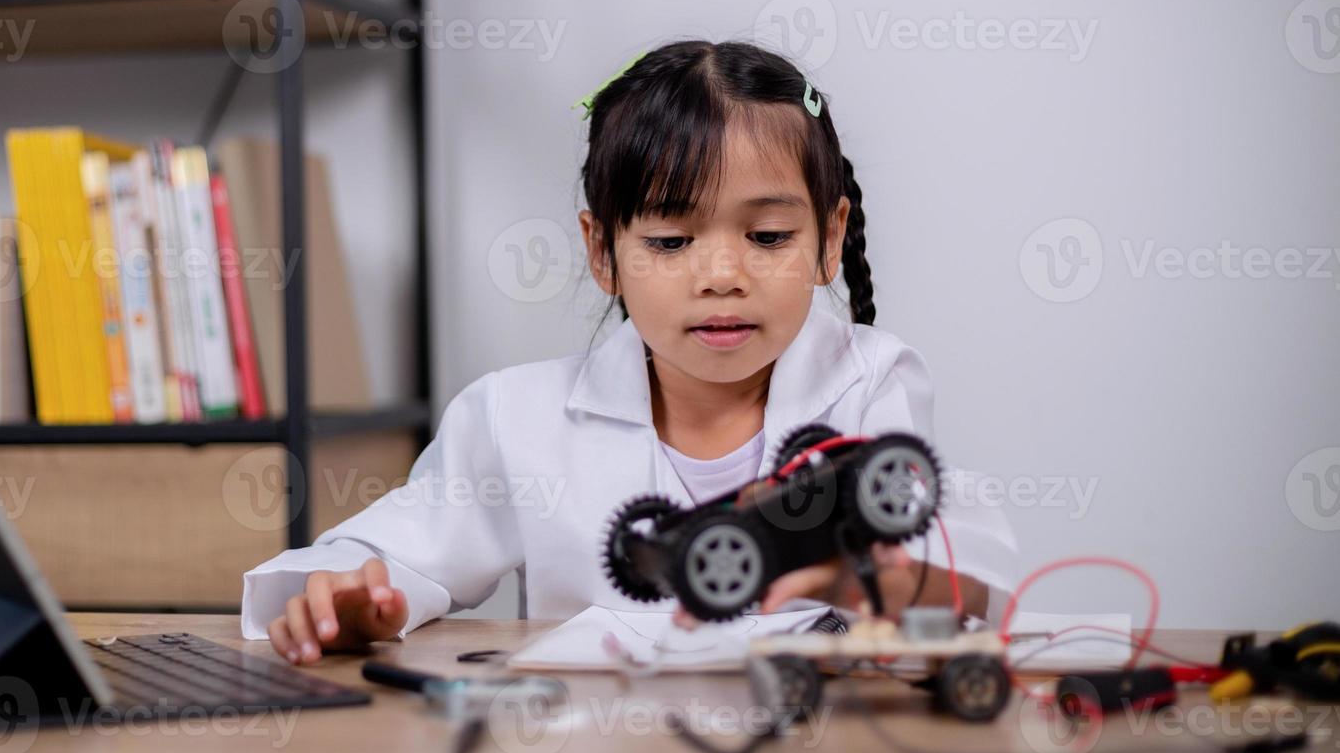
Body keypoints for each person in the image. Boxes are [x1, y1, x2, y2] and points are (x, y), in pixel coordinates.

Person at [242, 40, 1018, 665]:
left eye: (769, 237)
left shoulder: (870, 384)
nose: (721, 277)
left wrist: (885, 587)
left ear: (830, 237)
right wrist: (342, 599)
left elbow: (954, 589)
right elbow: (392, 556)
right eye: (671, 241)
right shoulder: (516, 417)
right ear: (603, 252)